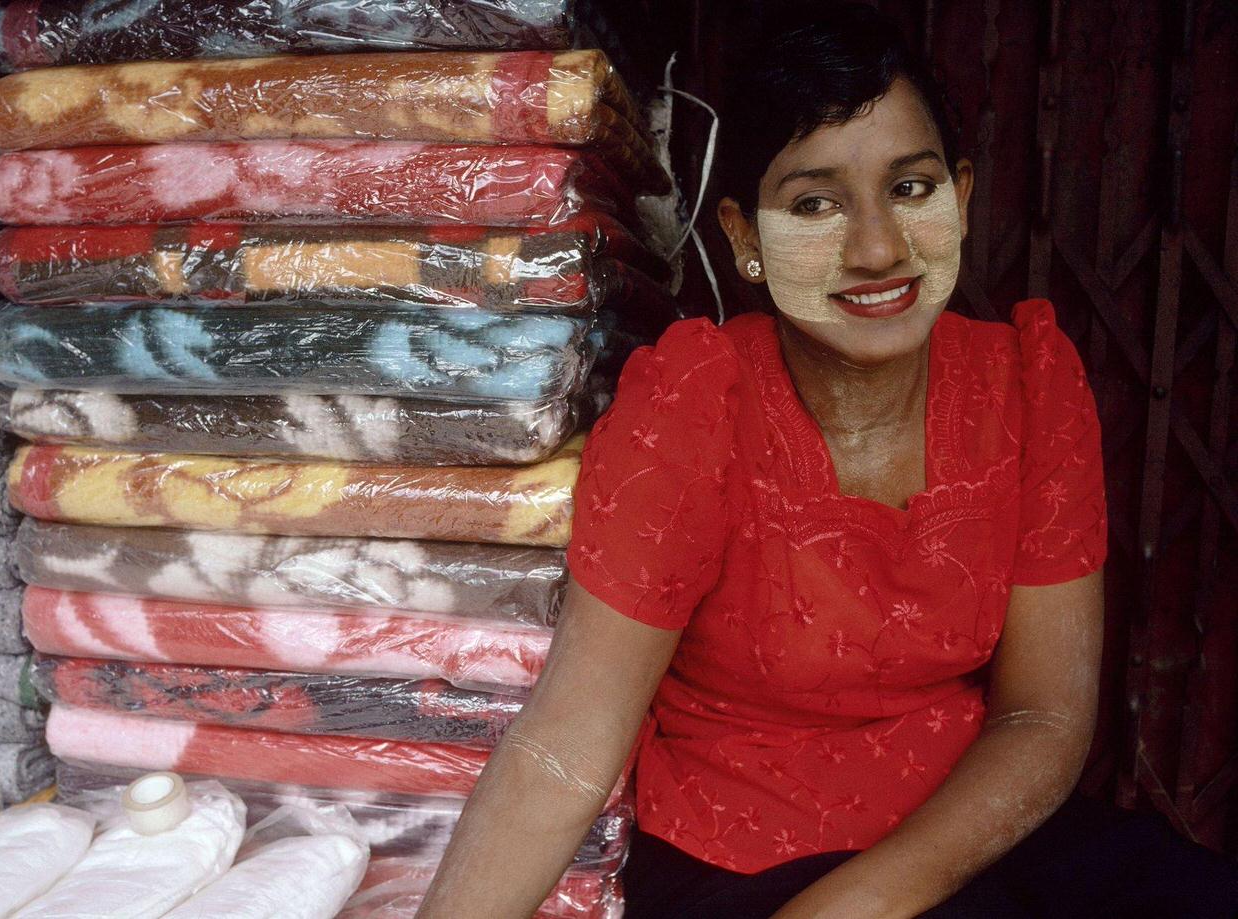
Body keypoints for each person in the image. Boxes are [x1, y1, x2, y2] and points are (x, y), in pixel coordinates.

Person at [416, 5, 1238, 917]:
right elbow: (566, 743)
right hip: (735, 856)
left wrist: (856, 908)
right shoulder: (699, 403)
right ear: (743, 239)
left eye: (912, 189)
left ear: (962, 198)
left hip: (965, 832)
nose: (878, 247)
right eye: (815, 203)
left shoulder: (1029, 386)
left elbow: (1042, 718)